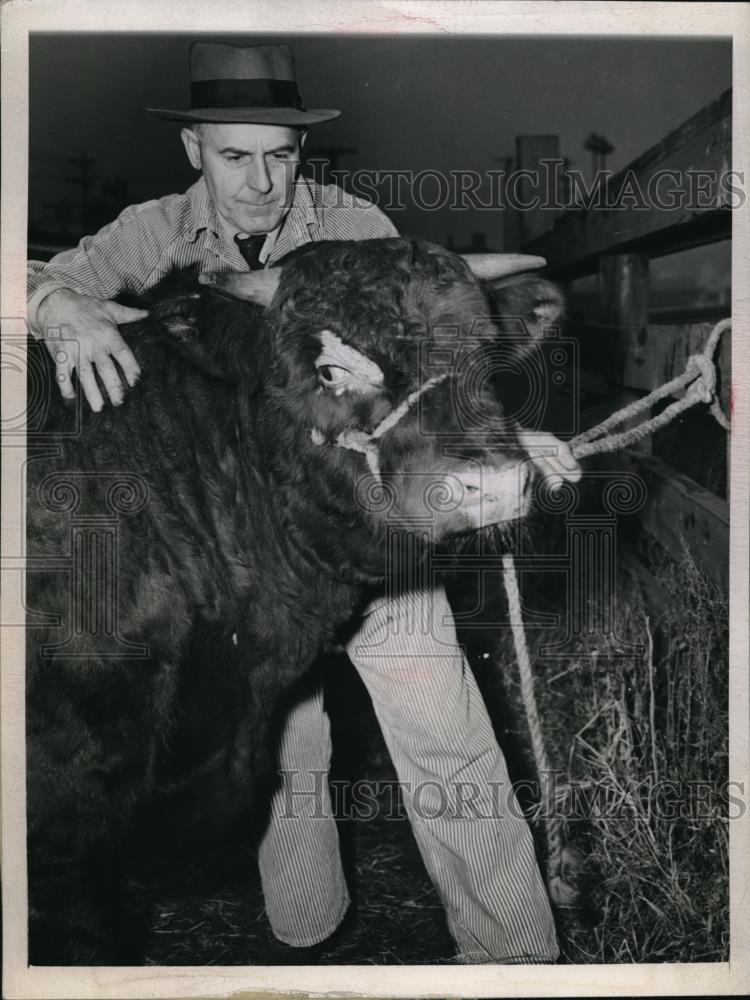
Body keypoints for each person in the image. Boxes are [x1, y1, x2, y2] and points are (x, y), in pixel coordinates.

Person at [27, 41, 579, 963]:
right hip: (246, 554)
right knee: (283, 736)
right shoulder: (151, 230)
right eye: (234, 157)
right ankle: (308, 937)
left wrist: (503, 447)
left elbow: (429, 374)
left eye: (278, 157)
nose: (259, 182)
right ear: (194, 150)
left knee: (441, 722)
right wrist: (52, 303)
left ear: (301, 152)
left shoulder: (357, 228)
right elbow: (38, 281)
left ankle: (517, 957)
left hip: (369, 527)